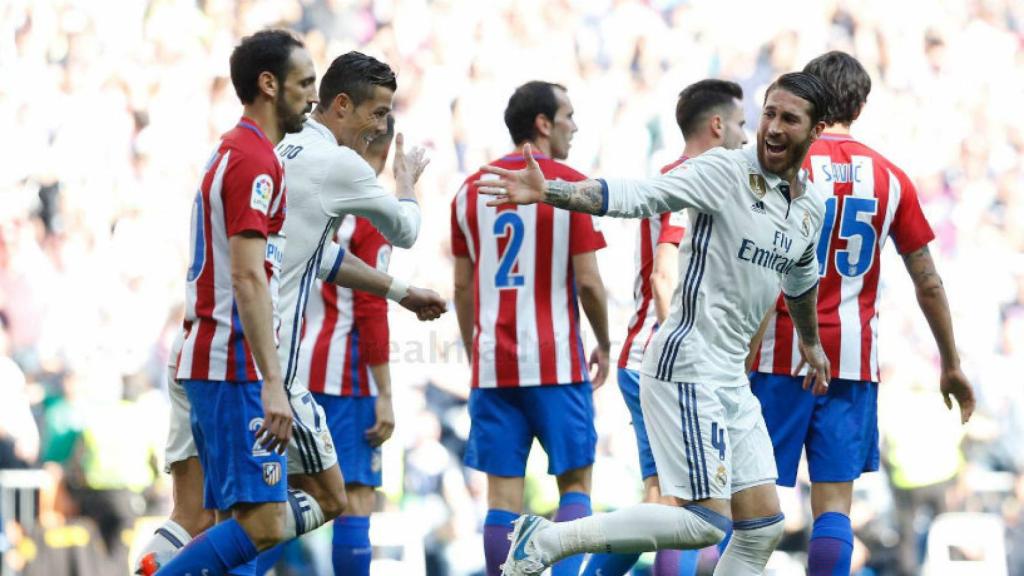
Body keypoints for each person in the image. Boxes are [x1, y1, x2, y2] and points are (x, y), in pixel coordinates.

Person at [479, 72, 833, 576]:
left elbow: (800, 281)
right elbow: (642, 194)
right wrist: (554, 190)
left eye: (789, 119)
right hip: (685, 362)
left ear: (815, 129)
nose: (772, 128)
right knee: (706, 521)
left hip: (729, 374)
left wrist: (811, 343)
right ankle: (552, 536)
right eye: (768, 114)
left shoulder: (809, 208)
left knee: (763, 528)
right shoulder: (725, 171)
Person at [151, 35, 445, 576]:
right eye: (376, 113)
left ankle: (161, 562)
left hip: (202, 347)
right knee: (263, 521)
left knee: (206, 517)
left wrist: (399, 293)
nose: (380, 127)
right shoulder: (297, 161)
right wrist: (405, 182)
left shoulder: (260, 150)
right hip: (243, 360)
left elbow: (313, 252)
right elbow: (403, 229)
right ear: (341, 105)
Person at [747, 51, 975, 576]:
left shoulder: (778, 160)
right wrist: (951, 361)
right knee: (834, 511)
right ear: (862, 106)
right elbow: (929, 282)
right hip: (850, 360)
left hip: (775, 351)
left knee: (750, 505)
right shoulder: (891, 178)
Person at [582, 79, 747, 576]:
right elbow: (663, 276)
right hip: (664, 359)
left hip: (655, 356)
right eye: (740, 124)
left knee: (665, 500)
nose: (746, 135)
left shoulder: (693, 179)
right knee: (681, 505)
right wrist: (685, 355)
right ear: (717, 126)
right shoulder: (689, 180)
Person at [451, 80, 610, 576]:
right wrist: (604, 342)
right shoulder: (573, 187)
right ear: (543, 123)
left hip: (494, 365)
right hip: (557, 361)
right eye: (568, 115)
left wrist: (473, 348)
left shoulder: (469, 190)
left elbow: (462, 288)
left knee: (502, 497)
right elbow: (588, 282)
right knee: (576, 487)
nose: (575, 125)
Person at [293, 116, 398, 576]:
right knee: (355, 498)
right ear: (385, 148)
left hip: (301, 365)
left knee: (281, 493)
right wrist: (387, 394)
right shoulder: (373, 210)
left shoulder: (313, 192)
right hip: (348, 374)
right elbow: (373, 309)